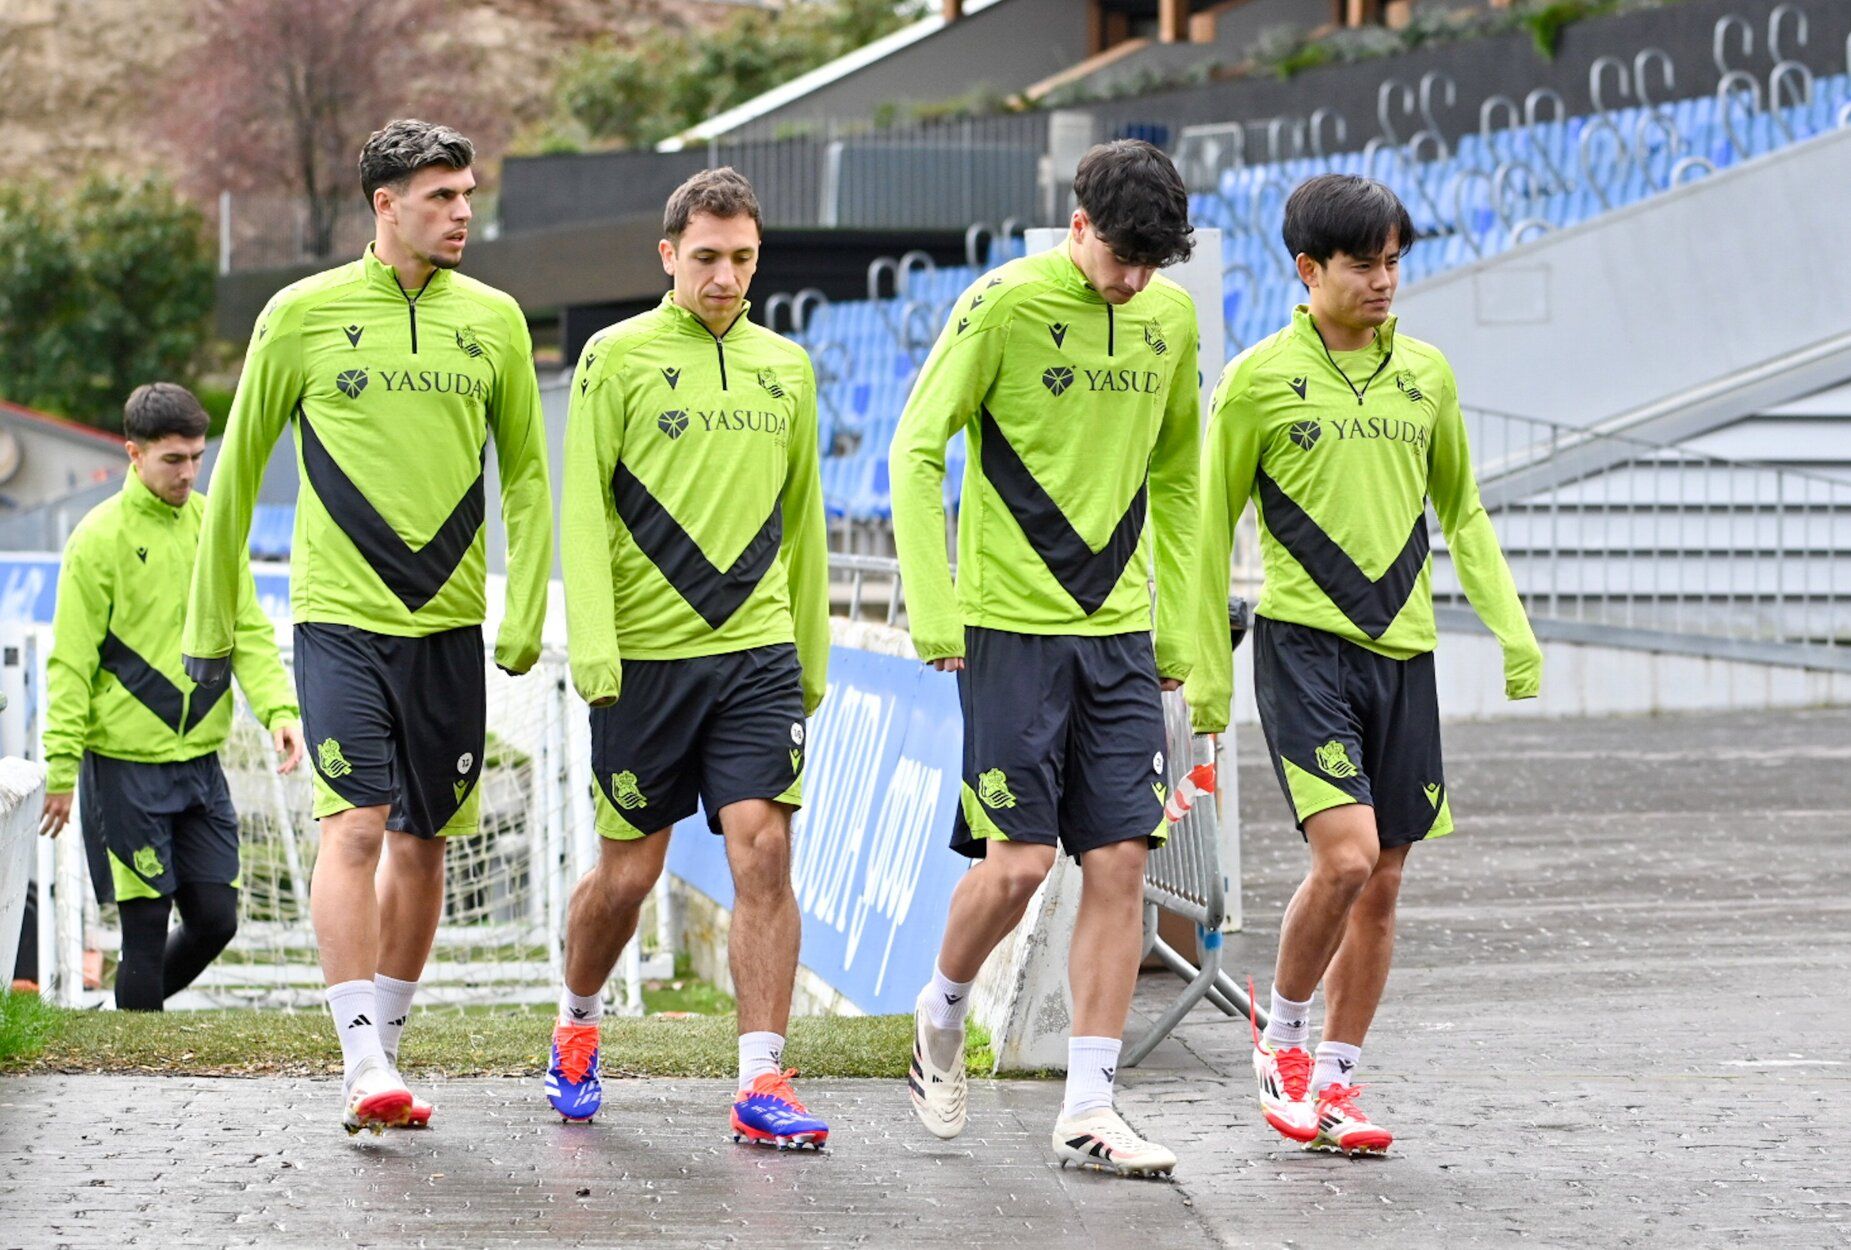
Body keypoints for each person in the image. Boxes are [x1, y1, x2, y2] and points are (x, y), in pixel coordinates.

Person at [183, 119, 552, 1133]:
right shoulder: (299, 315)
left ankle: (387, 1046)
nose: (463, 213)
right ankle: (358, 1062)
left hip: (450, 630)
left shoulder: (497, 320)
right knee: (352, 824)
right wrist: (212, 623)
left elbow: (524, 469)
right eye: (441, 197)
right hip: (340, 620)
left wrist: (525, 604)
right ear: (385, 205)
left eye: (470, 194)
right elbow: (240, 465)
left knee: (427, 841)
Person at [1187, 174, 1543, 1156]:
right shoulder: (1257, 378)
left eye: (1394, 261)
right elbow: (1210, 525)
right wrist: (1206, 670)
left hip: (1406, 654)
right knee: (1342, 857)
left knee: (1383, 882)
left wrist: (1510, 628)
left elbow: (1462, 507)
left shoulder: (1427, 372)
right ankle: (1286, 1038)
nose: (1385, 280)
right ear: (1308, 270)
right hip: (1304, 649)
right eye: (1363, 263)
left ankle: (1340, 1077)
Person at [890, 139, 1200, 1177]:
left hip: (1117, 632)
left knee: (1121, 859)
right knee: (1018, 865)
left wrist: (1183, 632)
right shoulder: (1001, 305)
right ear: (1077, 227)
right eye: (1121, 256)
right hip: (1007, 628)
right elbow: (915, 444)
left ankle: (1090, 1103)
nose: (1134, 279)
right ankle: (939, 1011)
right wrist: (935, 610)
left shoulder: (1169, 320)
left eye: (1154, 262)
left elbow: (1181, 474)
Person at [545, 168, 830, 1148]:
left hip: (755, 653)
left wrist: (812, 652)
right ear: (669, 254)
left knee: (764, 845)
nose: (724, 277)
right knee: (627, 878)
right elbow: (581, 505)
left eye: (742, 258)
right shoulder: (612, 358)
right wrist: (594, 645)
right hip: (646, 665)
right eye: (706, 257)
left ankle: (762, 1076)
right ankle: (578, 1024)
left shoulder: (787, 366)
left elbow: (806, 520)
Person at [41, 382, 303, 1010]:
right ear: (133, 454)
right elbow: (70, 664)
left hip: (200, 764)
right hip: (125, 766)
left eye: (196, 456)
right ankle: (136, 1058)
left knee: (217, 919)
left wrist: (279, 711)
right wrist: (58, 767)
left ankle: (122, 1018)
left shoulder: (216, 523)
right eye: (172, 459)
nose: (188, 472)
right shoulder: (96, 539)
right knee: (145, 929)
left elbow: (247, 631)